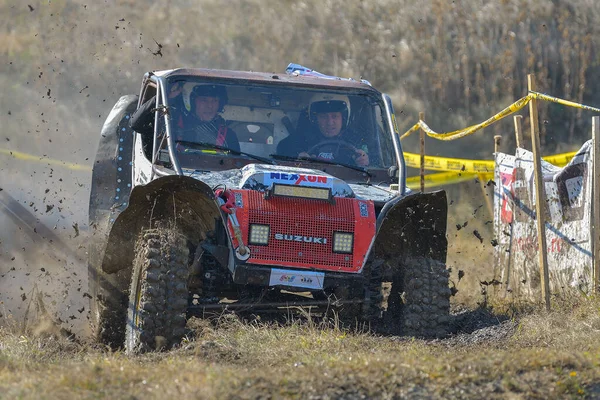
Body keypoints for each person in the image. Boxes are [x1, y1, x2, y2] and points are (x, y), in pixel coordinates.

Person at [276, 94, 369, 167]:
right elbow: (282, 148)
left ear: (343, 118)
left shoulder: (357, 140)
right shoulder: (303, 137)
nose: (330, 122)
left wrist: (365, 160)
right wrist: (296, 156)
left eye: (335, 116)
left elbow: (378, 163)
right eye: (323, 116)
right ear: (315, 119)